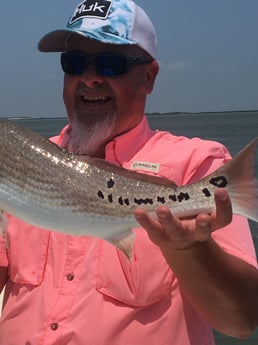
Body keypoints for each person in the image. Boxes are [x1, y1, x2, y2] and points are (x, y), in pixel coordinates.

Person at [0, 0, 257, 344]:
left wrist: (189, 250)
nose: (89, 78)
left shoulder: (197, 165)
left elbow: (241, 321)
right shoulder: (25, 163)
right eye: (74, 63)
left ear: (149, 77)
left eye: (110, 64)